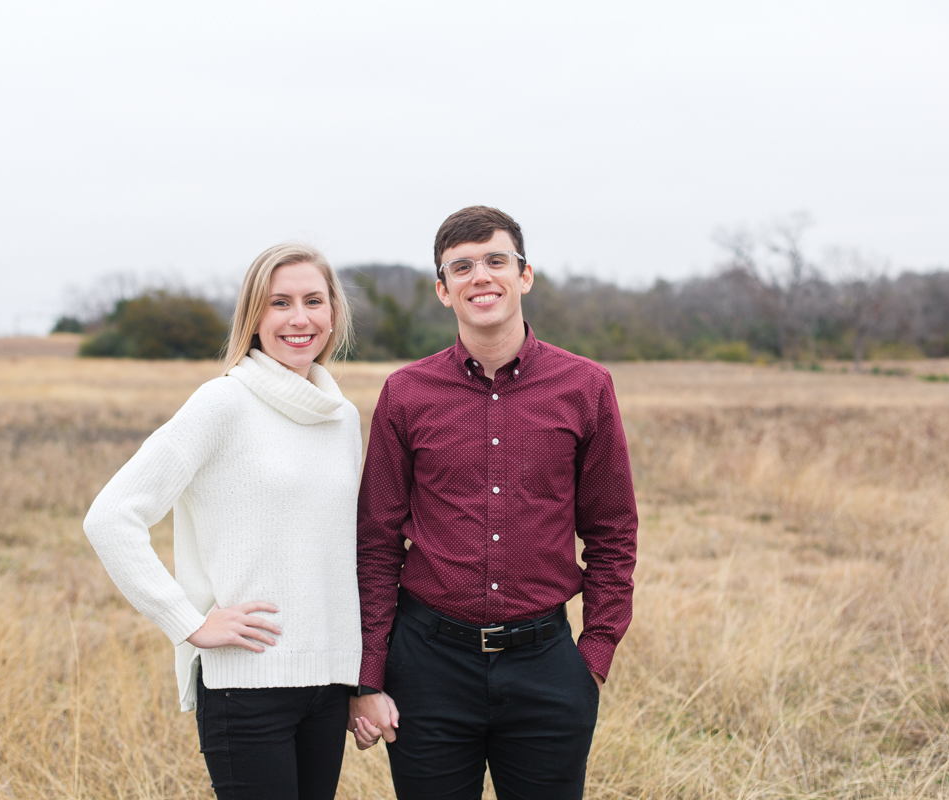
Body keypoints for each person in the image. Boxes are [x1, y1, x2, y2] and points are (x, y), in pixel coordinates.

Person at [348, 206, 639, 799]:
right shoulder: (406, 393)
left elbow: (612, 533)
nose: (480, 276)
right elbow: (377, 543)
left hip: (548, 666)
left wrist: (594, 656)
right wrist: (369, 676)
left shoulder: (586, 387)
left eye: (495, 261)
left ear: (524, 276)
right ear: (443, 289)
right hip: (427, 666)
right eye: (462, 266)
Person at [83, 243, 362, 800]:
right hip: (246, 686)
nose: (299, 318)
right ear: (254, 317)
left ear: (334, 313)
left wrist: (357, 674)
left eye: (313, 300)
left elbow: (342, 549)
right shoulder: (222, 404)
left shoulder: (342, 417)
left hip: (328, 684)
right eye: (279, 302)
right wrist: (188, 622)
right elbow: (111, 517)